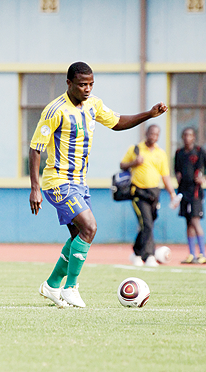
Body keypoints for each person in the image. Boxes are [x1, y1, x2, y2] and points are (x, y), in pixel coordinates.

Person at [29, 61, 170, 308]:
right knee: (90, 227)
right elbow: (35, 148)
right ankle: (71, 288)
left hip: (80, 182)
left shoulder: (93, 104)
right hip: (58, 181)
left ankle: (52, 285)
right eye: (82, 84)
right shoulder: (55, 111)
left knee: (77, 236)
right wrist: (35, 187)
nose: (87, 88)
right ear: (69, 83)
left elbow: (117, 122)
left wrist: (149, 114)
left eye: (91, 84)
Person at [120, 124, 177, 267]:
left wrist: (172, 194)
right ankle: (149, 255)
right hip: (138, 193)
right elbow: (122, 165)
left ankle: (136, 252)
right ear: (146, 133)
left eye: (157, 134)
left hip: (154, 193)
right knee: (147, 223)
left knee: (148, 224)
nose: (154, 136)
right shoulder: (136, 149)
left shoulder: (160, 153)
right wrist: (135, 162)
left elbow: (165, 176)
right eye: (151, 133)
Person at [174, 127, 206, 264]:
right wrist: (178, 177)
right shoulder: (179, 153)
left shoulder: (199, 152)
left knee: (195, 221)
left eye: (190, 135)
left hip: (195, 193)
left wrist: (203, 178)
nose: (187, 137)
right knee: (188, 223)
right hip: (183, 192)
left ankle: (202, 254)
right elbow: (176, 169)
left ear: (194, 137)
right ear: (182, 137)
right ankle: (192, 254)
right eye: (185, 135)